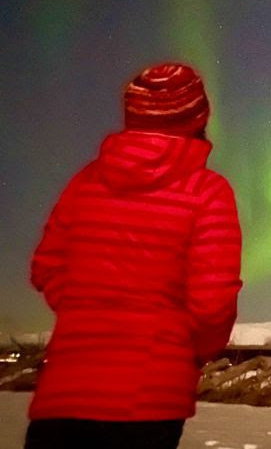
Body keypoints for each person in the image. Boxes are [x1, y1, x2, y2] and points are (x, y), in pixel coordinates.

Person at [25, 63, 243, 449]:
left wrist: (83, 311)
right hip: (150, 396)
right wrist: (188, 351)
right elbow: (212, 303)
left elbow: (47, 265)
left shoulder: (85, 182)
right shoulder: (208, 192)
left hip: (64, 391)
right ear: (197, 120)